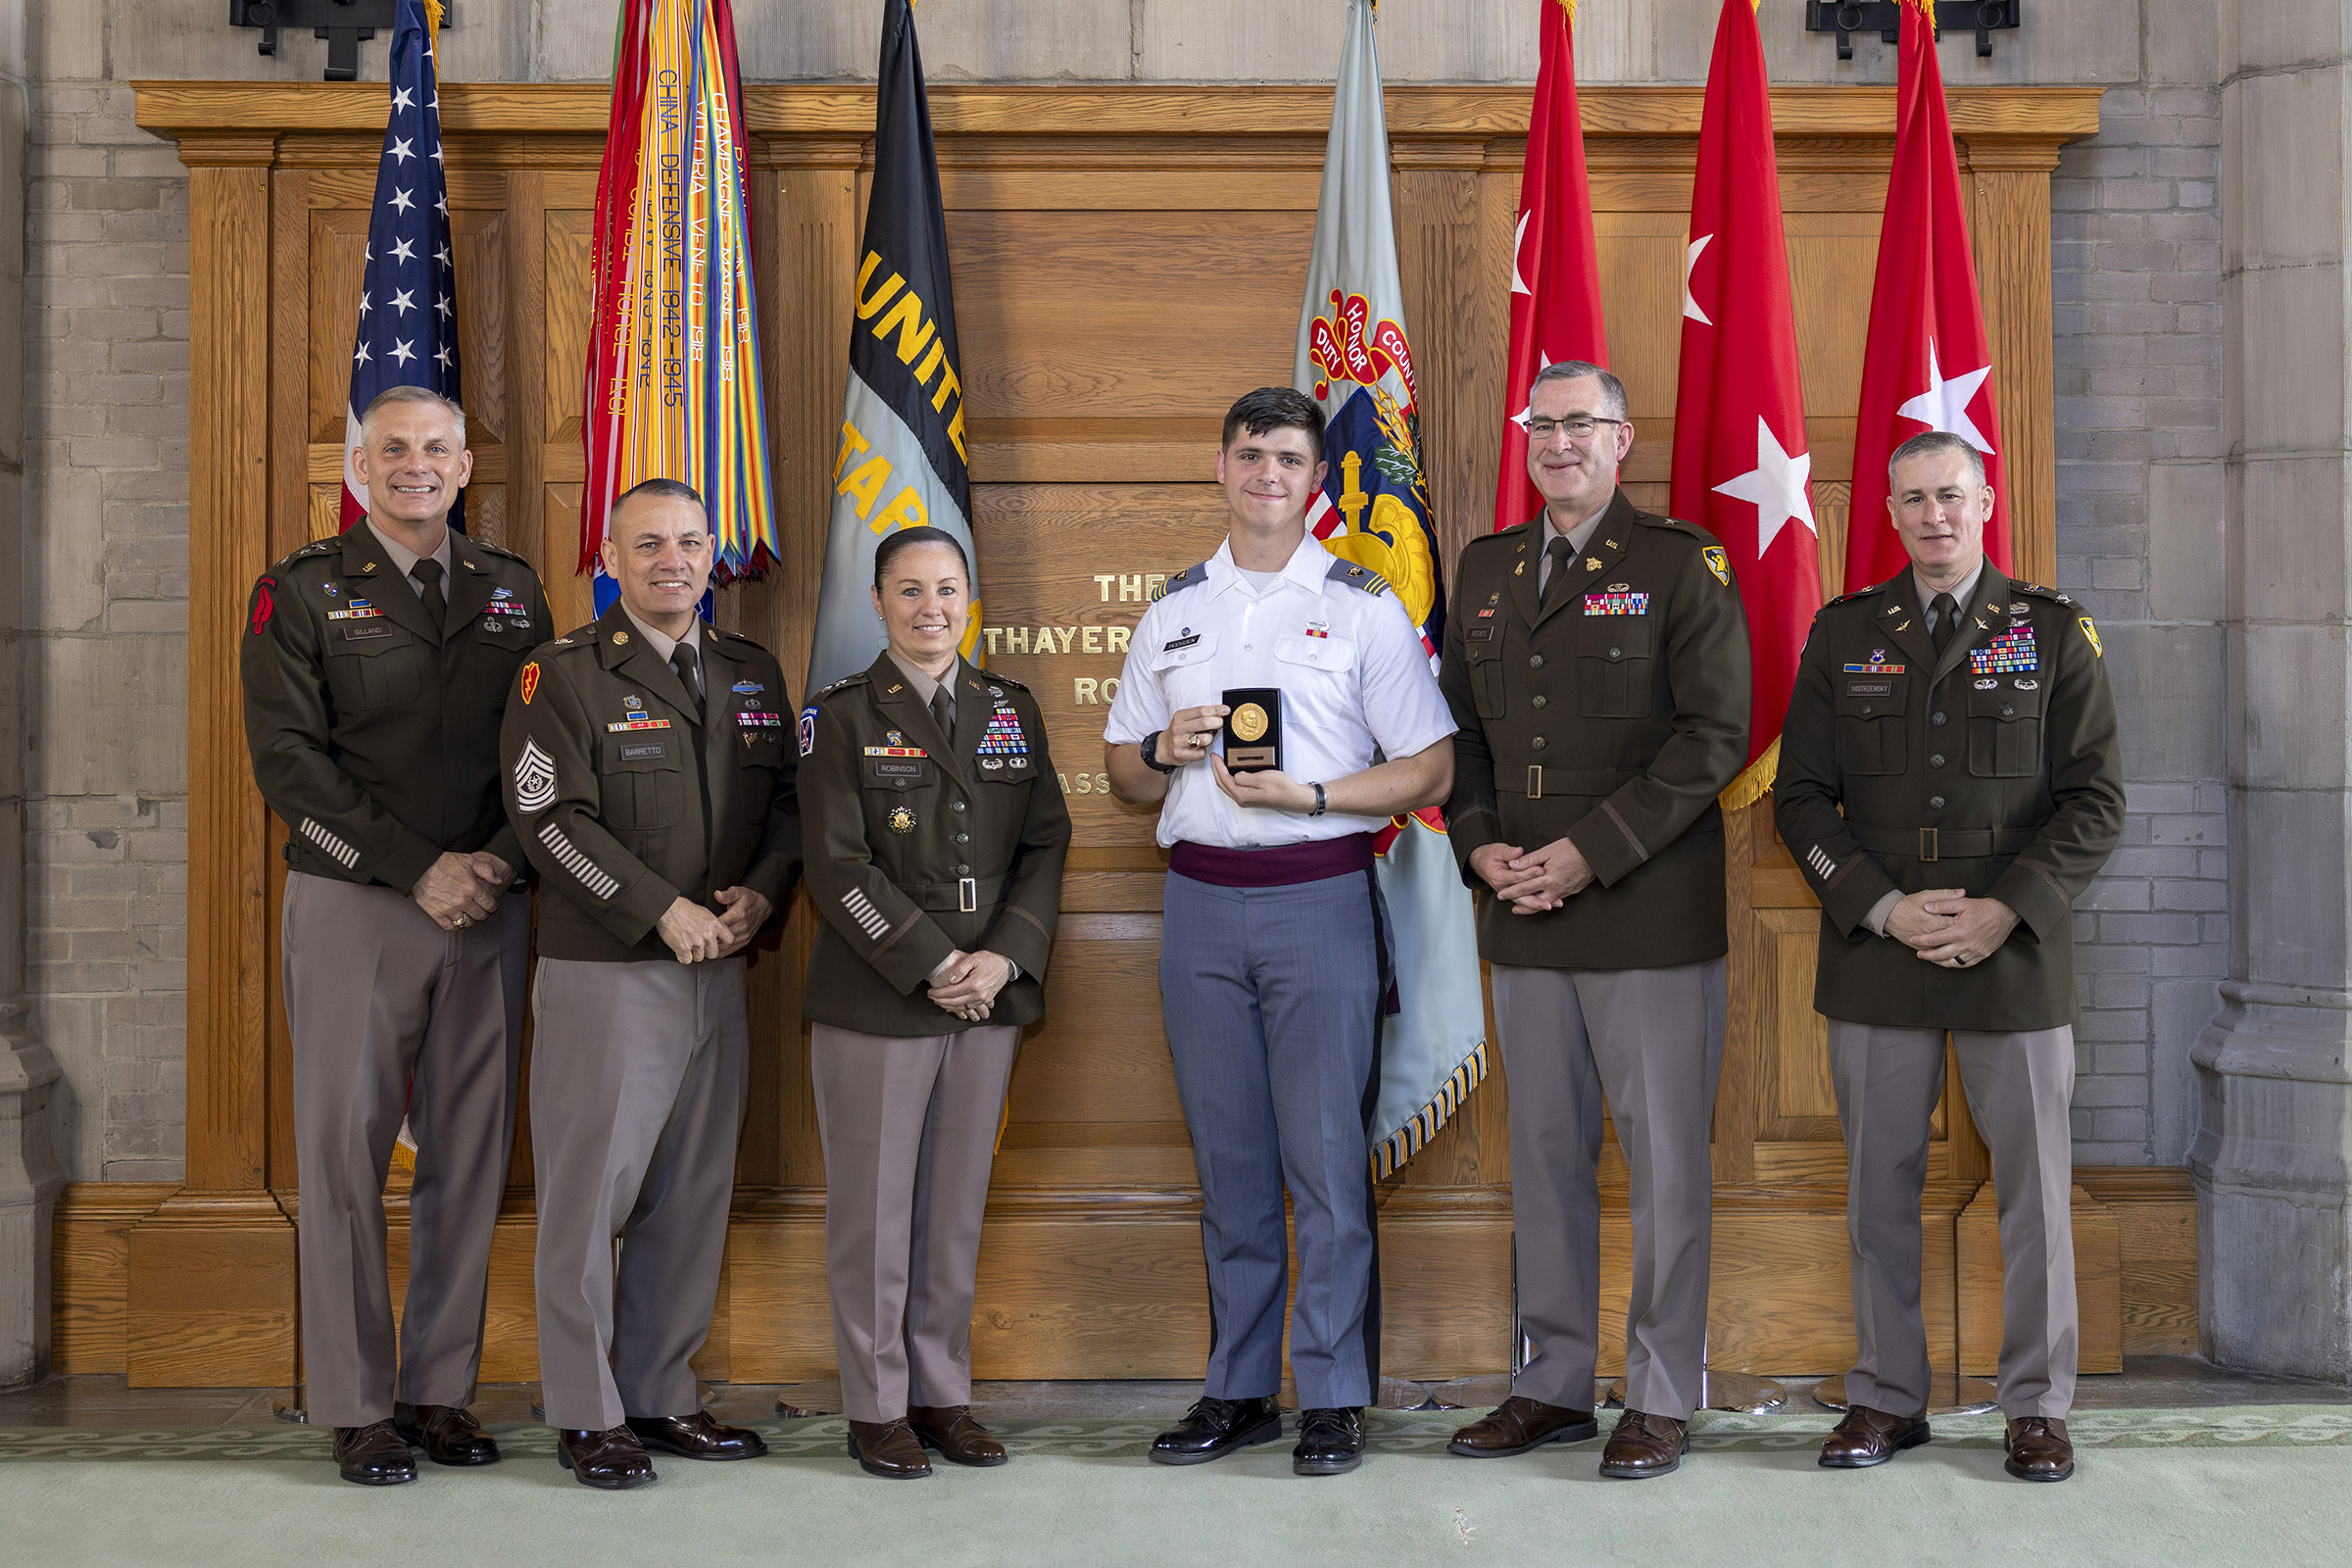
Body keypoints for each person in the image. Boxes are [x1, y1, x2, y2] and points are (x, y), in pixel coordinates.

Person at [1103, 386, 1455, 1478]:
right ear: (1222, 466)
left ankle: (1335, 1394)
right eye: (1251, 453)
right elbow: (1120, 769)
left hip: (1318, 896)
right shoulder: (1172, 612)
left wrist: (1310, 798)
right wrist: (1162, 749)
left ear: (1317, 479)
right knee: (1232, 1162)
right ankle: (1241, 1387)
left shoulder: (1361, 607)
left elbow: (1431, 766)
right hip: (1199, 903)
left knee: (1324, 1164)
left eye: (1290, 458)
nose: (1267, 473)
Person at [1777, 430, 2124, 1484]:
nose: (1935, 515)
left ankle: (2037, 1406)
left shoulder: (2054, 632)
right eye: (1916, 498)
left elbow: (2095, 801)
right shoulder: (1845, 635)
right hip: (1882, 950)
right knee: (1879, 1185)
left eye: (1953, 496)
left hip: (2013, 953)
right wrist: (1879, 908)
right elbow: (1799, 798)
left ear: (1986, 503)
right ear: (1889, 513)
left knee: (2035, 1189)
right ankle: (1887, 1397)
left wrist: (2005, 912)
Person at [1437, 361, 1750, 1481]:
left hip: (1644, 920)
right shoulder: (1482, 570)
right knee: (1543, 1158)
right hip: (1521, 914)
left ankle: (1661, 1392)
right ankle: (1554, 1381)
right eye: (1543, 422)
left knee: (1666, 1166)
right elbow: (1461, 732)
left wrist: (1588, 852)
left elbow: (1716, 736)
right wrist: (1480, 844)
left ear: (1623, 438)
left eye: (1582, 423)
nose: (1559, 440)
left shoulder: (1678, 563)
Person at [240, 386, 550, 1486]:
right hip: (358, 901)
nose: (416, 466)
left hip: (493, 898)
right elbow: (288, 763)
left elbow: (547, 752)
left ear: (467, 467)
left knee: (468, 1158)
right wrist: (417, 867)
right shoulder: (303, 590)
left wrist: (499, 862)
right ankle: (357, 1403)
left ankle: (439, 1391)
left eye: (436, 449)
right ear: (359, 469)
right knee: (343, 1156)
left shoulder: (513, 591)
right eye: (393, 450)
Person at [500, 477, 801, 1491]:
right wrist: (657, 910)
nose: (674, 560)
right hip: (612, 969)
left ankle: (663, 1392)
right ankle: (588, 1413)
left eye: (690, 541)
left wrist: (760, 898)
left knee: (690, 1193)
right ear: (613, 560)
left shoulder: (753, 674)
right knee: (590, 1200)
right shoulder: (564, 675)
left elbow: (789, 811)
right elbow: (548, 821)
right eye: (649, 544)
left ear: (715, 552)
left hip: (721, 973)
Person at [797, 525, 1071, 1480]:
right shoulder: (838, 716)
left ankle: (941, 1395)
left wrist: (1001, 958)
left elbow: (1045, 843)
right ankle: (876, 1408)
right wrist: (930, 961)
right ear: (877, 602)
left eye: (947, 589)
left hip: (987, 998)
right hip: (881, 995)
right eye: (910, 590)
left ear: (969, 597)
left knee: (952, 1211)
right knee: (873, 1213)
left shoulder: (1009, 708)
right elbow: (834, 863)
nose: (931, 608)